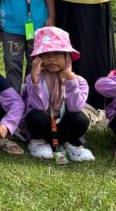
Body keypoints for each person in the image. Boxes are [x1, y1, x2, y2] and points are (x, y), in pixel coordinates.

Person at [21, 26, 94, 162]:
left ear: (68, 57)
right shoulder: (33, 79)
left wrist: (71, 82)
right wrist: (35, 79)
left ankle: (70, 143)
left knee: (81, 119)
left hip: (63, 126)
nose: (51, 59)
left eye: (57, 54)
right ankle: (38, 142)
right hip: (43, 126)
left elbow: (75, 107)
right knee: (35, 116)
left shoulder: (79, 81)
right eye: (46, 54)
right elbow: (40, 106)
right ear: (39, 58)